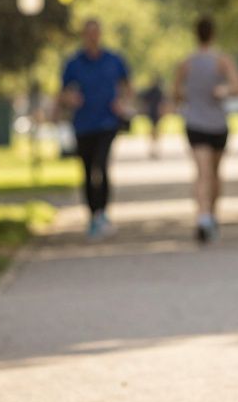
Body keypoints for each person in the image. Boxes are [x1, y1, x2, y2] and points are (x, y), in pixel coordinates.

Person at [174, 16, 238, 243]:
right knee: (211, 173)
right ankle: (207, 216)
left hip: (197, 122)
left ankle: (206, 216)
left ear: (196, 34)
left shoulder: (186, 63)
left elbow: (175, 93)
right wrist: (222, 91)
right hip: (214, 124)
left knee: (204, 173)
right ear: (213, 34)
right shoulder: (222, 60)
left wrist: (190, 96)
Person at [60, 19, 132, 238]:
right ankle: (92, 215)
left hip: (107, 122)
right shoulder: (74, 63)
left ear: (100, 35)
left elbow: (127, 86)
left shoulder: (113, 59)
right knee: (87, 169)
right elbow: (62, 93)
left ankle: (102, 213)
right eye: (88, 33)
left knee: (101, 166)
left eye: (95, 33)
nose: (92, 37)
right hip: (83, 124)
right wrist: (70, 98)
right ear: (84, 36)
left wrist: (122, 103)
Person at [139, 76, 166, 159]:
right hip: (154, 113)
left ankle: (154, 148)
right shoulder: (156, 92)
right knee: (154, 131)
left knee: (154, 131)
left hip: (154, 113)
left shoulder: (156, 92)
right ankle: (153, 148)